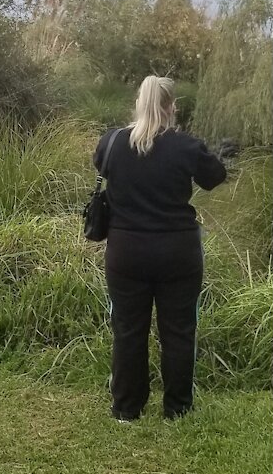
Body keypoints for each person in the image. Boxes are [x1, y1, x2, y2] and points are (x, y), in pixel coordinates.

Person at [92, 75, 228, 422]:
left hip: (125, 251)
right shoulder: (186, 147)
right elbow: (214, 177)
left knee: (127, 328)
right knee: (179, 330)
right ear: (172, 108)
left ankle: (126, 408)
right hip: (177, 252)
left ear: (139, 102)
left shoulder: (111, 143)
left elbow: (101, 166)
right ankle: (177, 409)